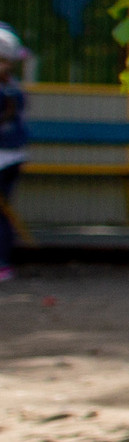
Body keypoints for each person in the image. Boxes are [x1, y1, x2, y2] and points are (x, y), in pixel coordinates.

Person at [0, 25, 28, 282]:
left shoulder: (7, 91)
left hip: (5, 158)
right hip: (12, 155)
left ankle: (3, 263)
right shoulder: (13, 87)